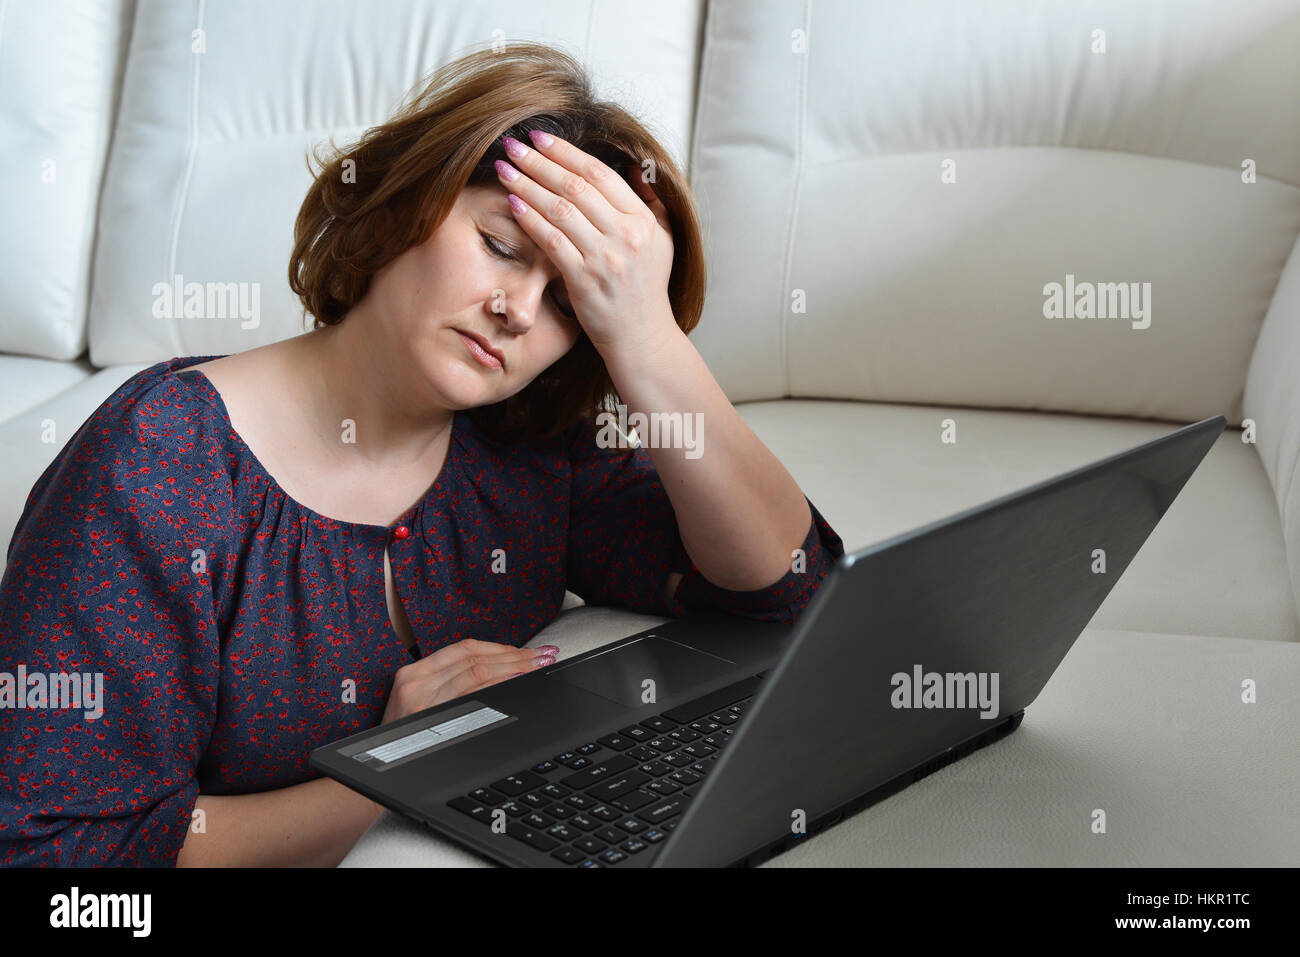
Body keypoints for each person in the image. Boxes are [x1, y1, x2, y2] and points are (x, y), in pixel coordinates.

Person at [0, 42, 844, 867]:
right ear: (407, 202)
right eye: (502, 247)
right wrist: (404, 766)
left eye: (570, 305)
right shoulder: (157, 468)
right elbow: (64, 857)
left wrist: (645, 333)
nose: (518, 311)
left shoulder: (530, 450)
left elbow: (783, 586)